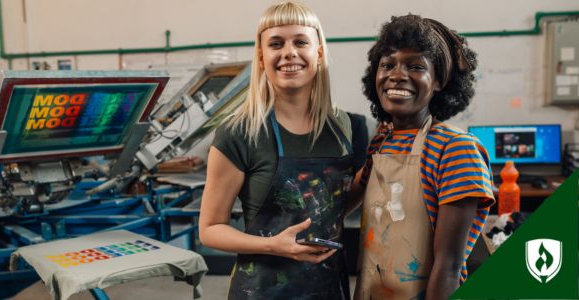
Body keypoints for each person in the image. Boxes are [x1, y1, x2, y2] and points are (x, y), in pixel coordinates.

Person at [199, 1, 354, 299]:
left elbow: (333, 205)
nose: (289, 53)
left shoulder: (341, 125)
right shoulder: (240, 132)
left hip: (329, 288)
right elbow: (210, 228)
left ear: (318, 52)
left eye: (300, 42)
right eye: (276, 43)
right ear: (261, 56)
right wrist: (273, 245)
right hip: (262, 290)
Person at [350, 14, 495, 300]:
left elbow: (449, 267)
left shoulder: (456, 149)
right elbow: (342, 201)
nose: (397, 74)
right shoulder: (381, 142)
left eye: (415, 66)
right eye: (387, 65)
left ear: (438, 81)